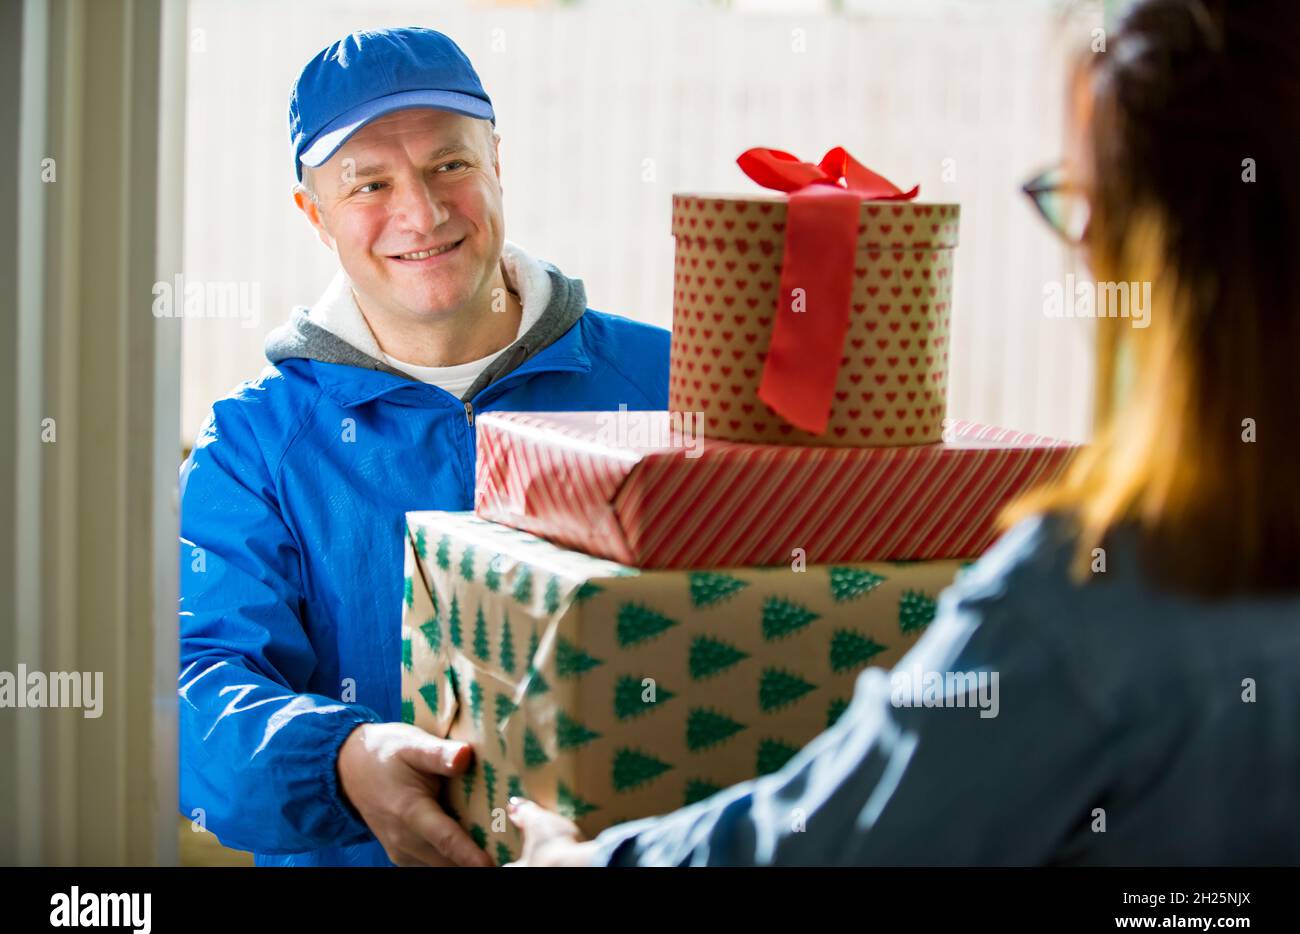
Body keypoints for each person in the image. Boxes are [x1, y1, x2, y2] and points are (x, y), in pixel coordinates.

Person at [510, 0, 1300, 866]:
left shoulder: (1091, 593)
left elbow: (825, 842)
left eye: (1081, 203)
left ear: (1147, 249)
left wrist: (579, 863)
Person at [177, 27, 669, 867]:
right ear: (315, 214)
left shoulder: (663, 382)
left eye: (450, 165)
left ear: (497, 163)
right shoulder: (253, 446)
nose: (423, 212)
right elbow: (193, 686)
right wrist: (339, 763)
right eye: (369, 183)